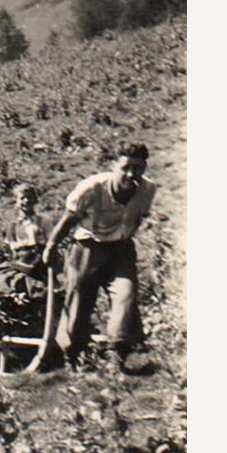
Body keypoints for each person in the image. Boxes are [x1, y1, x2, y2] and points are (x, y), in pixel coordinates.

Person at [41, 142, 157, 369]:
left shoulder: (147, 189)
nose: (131, 174)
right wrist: (51, 246)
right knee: (79, 299)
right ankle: (72, 355)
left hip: (121, 250)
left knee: (126, 295)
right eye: (125, 167)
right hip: (88, 248)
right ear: (114, 165)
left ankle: (117, 352)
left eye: (138, 168)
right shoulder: (92, 188)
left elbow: (139, 216)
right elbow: (69, 218)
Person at [0, 184, 51, 299]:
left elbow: (50, 244)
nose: (26, 201)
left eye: (30, 197)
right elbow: (11, 250)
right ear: (16, 201)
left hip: (37, 263)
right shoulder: (12, 226)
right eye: (22, 198)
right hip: (19, 262)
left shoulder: (43, 221)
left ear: (35, 200)